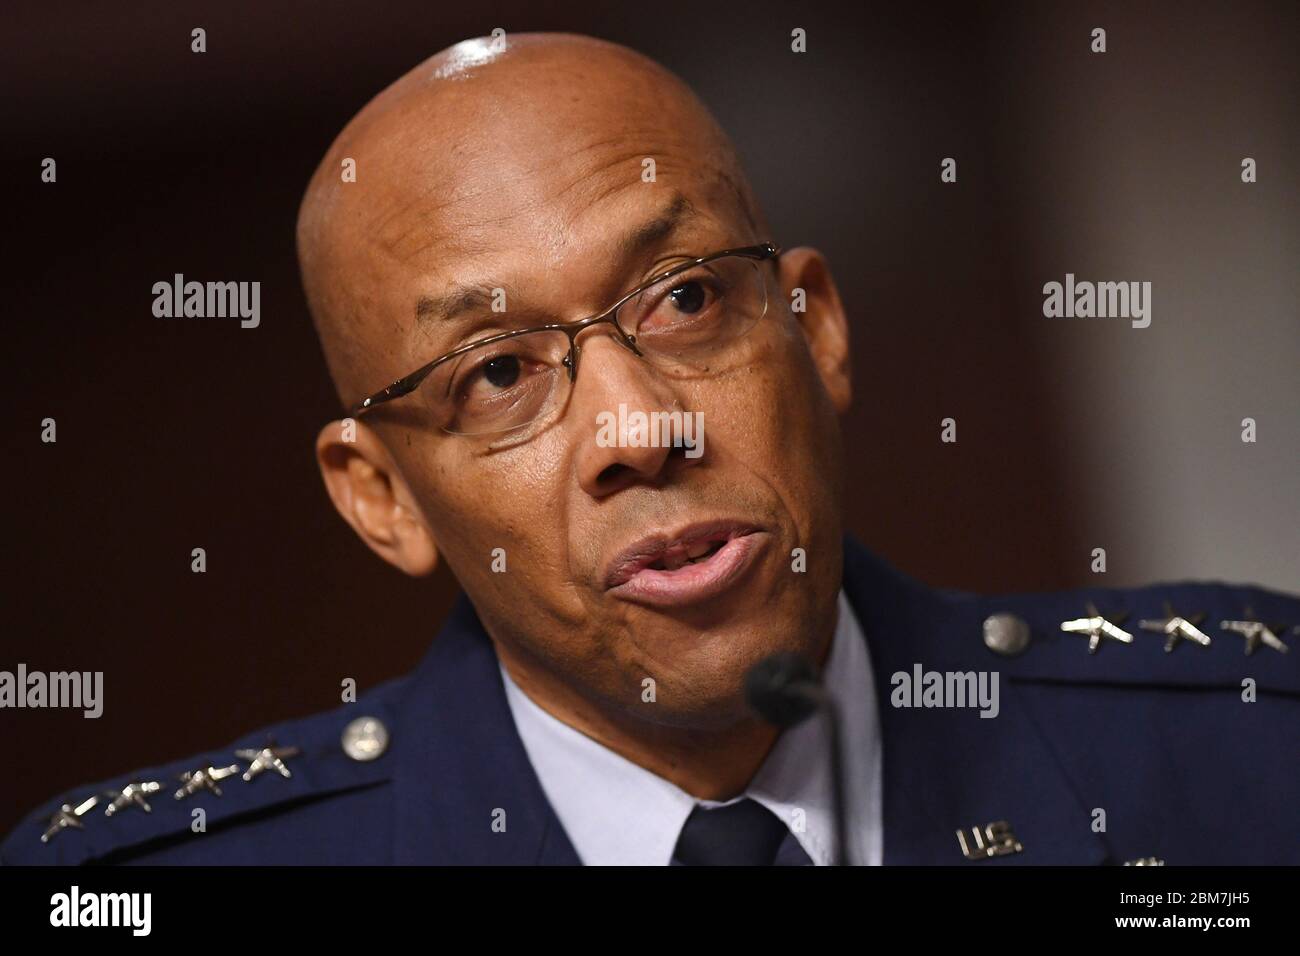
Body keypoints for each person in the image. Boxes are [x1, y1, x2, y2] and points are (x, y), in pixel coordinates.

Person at [5, 33, 1296, 866]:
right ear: (381, 497)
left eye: (684, 300)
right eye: (498, 373)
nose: (639, 429)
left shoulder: (1245, 751)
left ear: (818, 329)